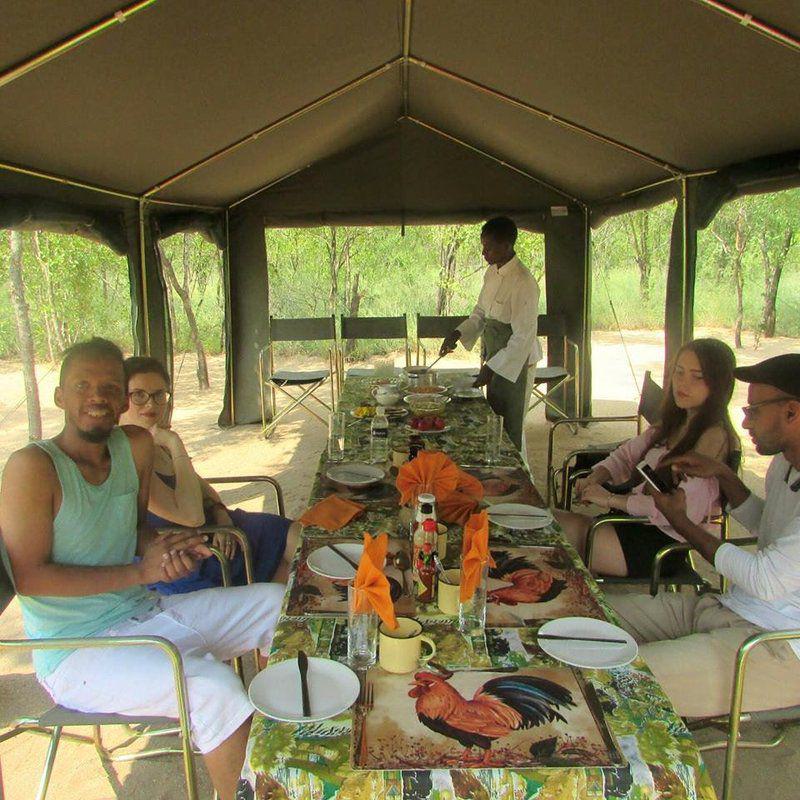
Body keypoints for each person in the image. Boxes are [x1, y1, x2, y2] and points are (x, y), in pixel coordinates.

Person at [0, 338, 285, 800]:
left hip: (145, 615)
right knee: (216, 687)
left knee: (279, 604)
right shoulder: (33, 466)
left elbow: (131, 532)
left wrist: (171, 547)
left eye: (111, 386)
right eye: (82, 385)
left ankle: (282, 745)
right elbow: (30, 576)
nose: (98, 396)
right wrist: (141, 572)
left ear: (122, 397)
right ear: (59, 396)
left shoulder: (133, 445)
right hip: (77, 651)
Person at [608, 353, 800, 718]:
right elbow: (768, 526)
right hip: (729, 609)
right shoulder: (786, 464)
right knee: (582, 620)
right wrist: (725, 476)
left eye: (754, 410)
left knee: (618, 681)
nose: (744, 422)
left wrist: (683, 524)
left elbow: (766, 579)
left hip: (776, 646)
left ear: (792, 412)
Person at [556, 338, 738, 577]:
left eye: (697, 377)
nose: (683, 383)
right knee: (541, 525)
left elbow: (679, 511)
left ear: (718, 385)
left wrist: (612, 499)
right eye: (679, 373)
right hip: (629, 524)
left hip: (660, 545)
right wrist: (596, 476)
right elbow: (626, 455)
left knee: (549, 542)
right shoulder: (677, 422)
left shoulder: (715, 439)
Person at [120, 356, 300, 592]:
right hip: (188, 555)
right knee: (295, 573)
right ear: (122, 399)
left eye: (158, 395)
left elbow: (205, 491)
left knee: (299, 538)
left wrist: (221, 515)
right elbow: (191, 517)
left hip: (218, 529)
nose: (151, 404)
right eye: (139, 395)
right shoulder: (130, 453)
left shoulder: (156, 441)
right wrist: (176, 444)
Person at [439, 216, 541, 451]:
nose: (484, 253)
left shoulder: (523, 282)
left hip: (517, 362)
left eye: (489, 248)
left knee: (511, 425)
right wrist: (457, 332)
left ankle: (520, 478)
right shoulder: (491, 273)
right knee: (495, 419)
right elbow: (481, 312)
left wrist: (493, 367)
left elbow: (523, 336)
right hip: (495, 357)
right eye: (483, 247)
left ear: (507, 246)